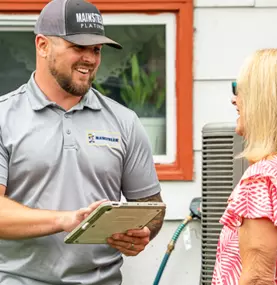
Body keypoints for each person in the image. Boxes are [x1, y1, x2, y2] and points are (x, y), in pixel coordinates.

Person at [0, 0, 165, 284]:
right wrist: (66, 220)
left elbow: (151, 207)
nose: (90, 58)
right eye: (78, 47)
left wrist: (141, 233)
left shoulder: (124, 121)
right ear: (42, 46)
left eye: (96, 50)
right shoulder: (4, 117)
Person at [211, 49, 277, 285]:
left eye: (240, 89)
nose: (234, 99)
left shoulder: (263, 177)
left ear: (264, 99)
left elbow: (257, 279)